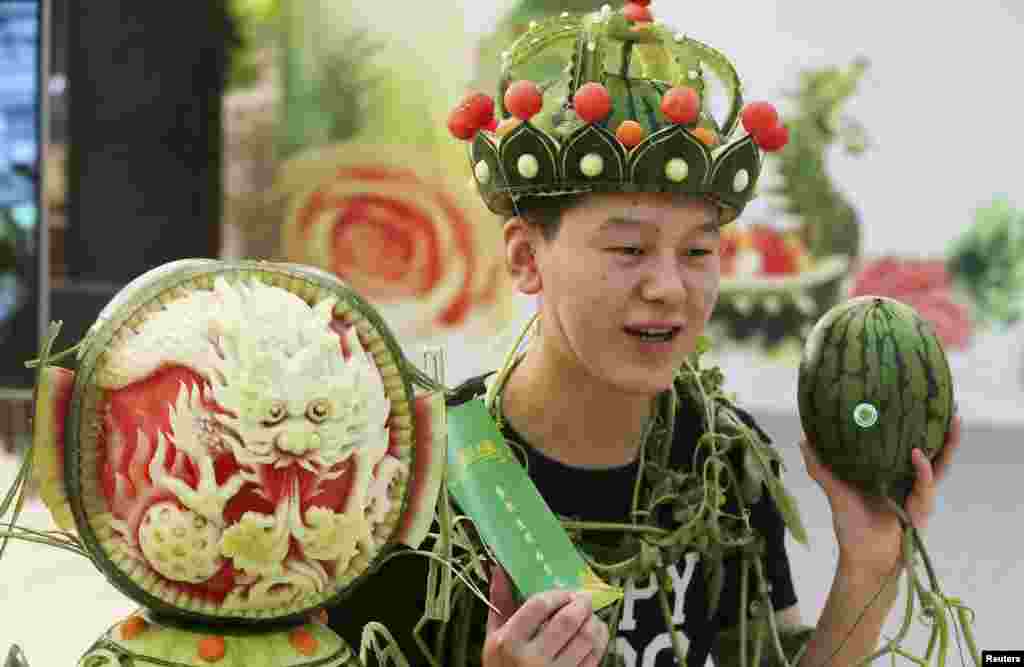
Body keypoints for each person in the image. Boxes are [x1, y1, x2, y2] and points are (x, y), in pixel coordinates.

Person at [328, 3, 962, 666]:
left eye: (697, 253)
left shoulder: (723, 462)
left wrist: (869, 563)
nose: (670, 287)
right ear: (524, 257)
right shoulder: (418, 474)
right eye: (629, 249)